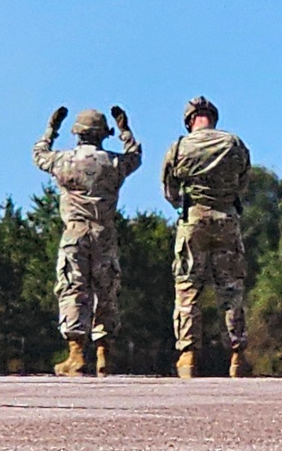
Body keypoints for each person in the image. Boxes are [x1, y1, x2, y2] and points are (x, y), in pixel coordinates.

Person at [32, 105, 141, 377]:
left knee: (72, 288)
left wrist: (51, 129)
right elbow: (135, 157)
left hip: (75, 232)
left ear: (77, 134)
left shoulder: (64, 160)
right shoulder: (113, 163)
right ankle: (104, 353)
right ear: (104, 134)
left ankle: (76, 354)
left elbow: (39, 155)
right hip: (104, 232)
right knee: (106, 290)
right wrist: (125, 131)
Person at [161, 96, 251, 378]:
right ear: (214, 118)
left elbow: (170, 192)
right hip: (227, 219)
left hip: (194, 221)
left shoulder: (178, 147)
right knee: (231, 290)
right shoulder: (233, 144)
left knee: (187, 290)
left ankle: (187, 356)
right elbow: (243, 182)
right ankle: (237, 356)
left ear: (190, 120)